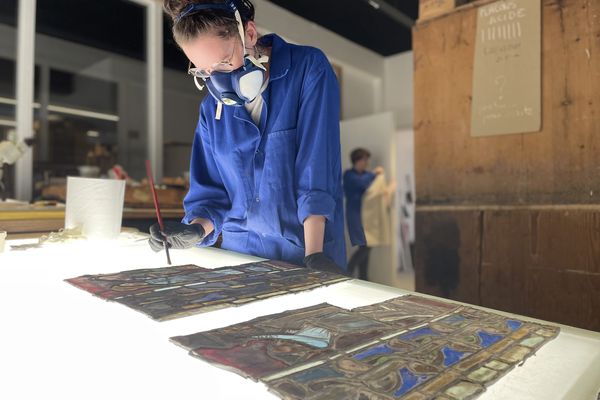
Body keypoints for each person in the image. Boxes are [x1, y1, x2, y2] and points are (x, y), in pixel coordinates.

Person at [149, 0, 346, 273]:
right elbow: (213, 194)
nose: (217, 81)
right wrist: (194, 230)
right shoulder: (211, 110)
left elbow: (316, 168)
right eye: (205, 71)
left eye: (224, 63)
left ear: (249, 34)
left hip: (303, 250)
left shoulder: (308, 69)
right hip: (239, 256)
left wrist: (314, 254)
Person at [343, 148, 382, 280]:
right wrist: (374, 174)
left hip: (366, 216)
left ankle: (363, 277)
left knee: (365, 245)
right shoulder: (349, 175)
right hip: (355, 215)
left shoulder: (364, 174)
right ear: (357, 160)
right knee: (366, 245)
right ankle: (348, 271)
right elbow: (362, 183)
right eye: (365, 160)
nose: (366, 162)